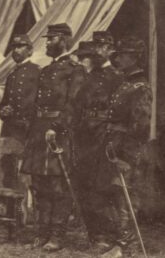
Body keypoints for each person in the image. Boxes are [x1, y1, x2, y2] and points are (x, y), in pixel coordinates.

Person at [20, 23, 85, 251]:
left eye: (52, 39)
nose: (47, 43)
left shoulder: (75, 70)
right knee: (39, 184)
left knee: (58, 186)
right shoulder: (46, 70)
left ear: (65, 40)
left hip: (59, 133)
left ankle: (57, 236)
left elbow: (73, 104)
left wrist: (57, 127)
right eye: (48, 39)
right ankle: (41, 233)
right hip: (40, 131)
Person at [97, 36, 152, 257]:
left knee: (125, 196)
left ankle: (125, 245)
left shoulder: (140, 87)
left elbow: (140, 127)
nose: (120, 58)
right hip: (113, 145)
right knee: (114, 193)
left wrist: (125, 157)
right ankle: (118, 240)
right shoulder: (125, 83)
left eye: (125, 55)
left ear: (136, 58)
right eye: (119, 55)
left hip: (128, 151)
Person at [72, 41, 123, 249]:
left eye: (98, 52)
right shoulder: (88, 77)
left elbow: (120, 111)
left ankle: (108, 236)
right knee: (83, 184)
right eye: (91, 54)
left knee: (101, 187)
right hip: (84, 135)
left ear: (109, 52)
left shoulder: (117, 77)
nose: (91, 57)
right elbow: (77, 105)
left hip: (103, 136)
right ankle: (94, 234)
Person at [0, 34, 40, 219]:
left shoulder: (37, 72)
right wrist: (3, 110)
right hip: (10, 129)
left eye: (20, 47)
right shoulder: (12, 74)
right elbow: (4, 102)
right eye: (14, 47)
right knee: (9, 169)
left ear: (29, 50)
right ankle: (11, 212)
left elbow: (39, 103)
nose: (16, 50)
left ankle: (26, 213)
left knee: (25, 173)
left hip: (26, 130)